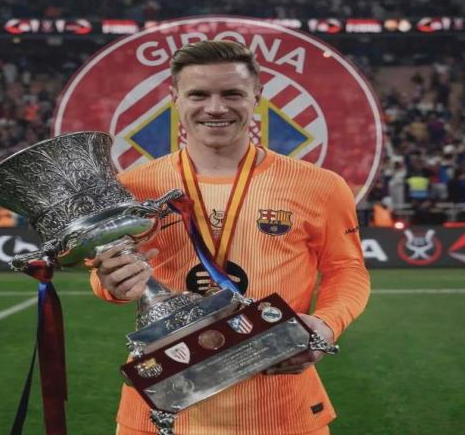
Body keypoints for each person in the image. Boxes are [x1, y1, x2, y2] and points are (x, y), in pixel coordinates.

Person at [91, 40, 370, 435]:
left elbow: (347, 269)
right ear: (175, 98)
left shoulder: (320, 186)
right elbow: (105, 277)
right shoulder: (132, 188)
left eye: (232, 94)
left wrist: (326, 325)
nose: (216, 107)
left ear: (257, 96)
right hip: (160, 406)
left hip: (280, 406)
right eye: (198, 95)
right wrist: (112, 284)